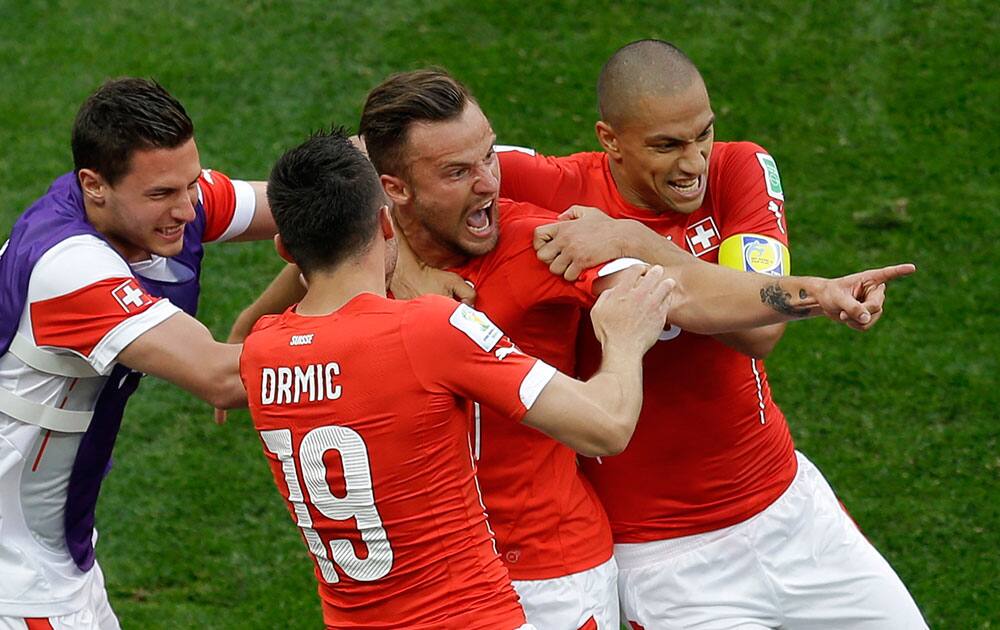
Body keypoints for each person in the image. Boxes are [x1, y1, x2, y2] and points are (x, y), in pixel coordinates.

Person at [232, 69, 914, 629]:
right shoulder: (375, 283)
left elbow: (687, 298)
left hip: (560, 575)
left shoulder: (544, 241)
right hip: (477, 586)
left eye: (490, 157)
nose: (489, 183)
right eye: (458, 171)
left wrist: (815, 294)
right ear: (393, 193)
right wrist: (397, 268)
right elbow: (324, 206)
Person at [496, 39, 927, 628]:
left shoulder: (738, 168)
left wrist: (631, 240)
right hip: (666, 560)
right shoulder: (550, 185)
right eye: (667, 145)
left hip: (791, 512)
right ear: (609, 139)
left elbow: (761, 329)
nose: (694, 162)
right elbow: (401, 162)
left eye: (702, 134)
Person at [240, 127, 674, 628]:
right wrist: (623, 340)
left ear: (284, 249)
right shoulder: (426, 330)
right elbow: (607, 425)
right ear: (386, 224)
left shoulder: (261, 352)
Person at [0, 77, 278, 629]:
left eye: (191, 185)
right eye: (162, 195)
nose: (186, 208)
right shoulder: (69, 268)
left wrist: (394, 167)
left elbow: (304, 208)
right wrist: (381, 330)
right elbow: (223, 377)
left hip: (54, 558)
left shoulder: (153, 204)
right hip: (17, 580)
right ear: (94, 185)